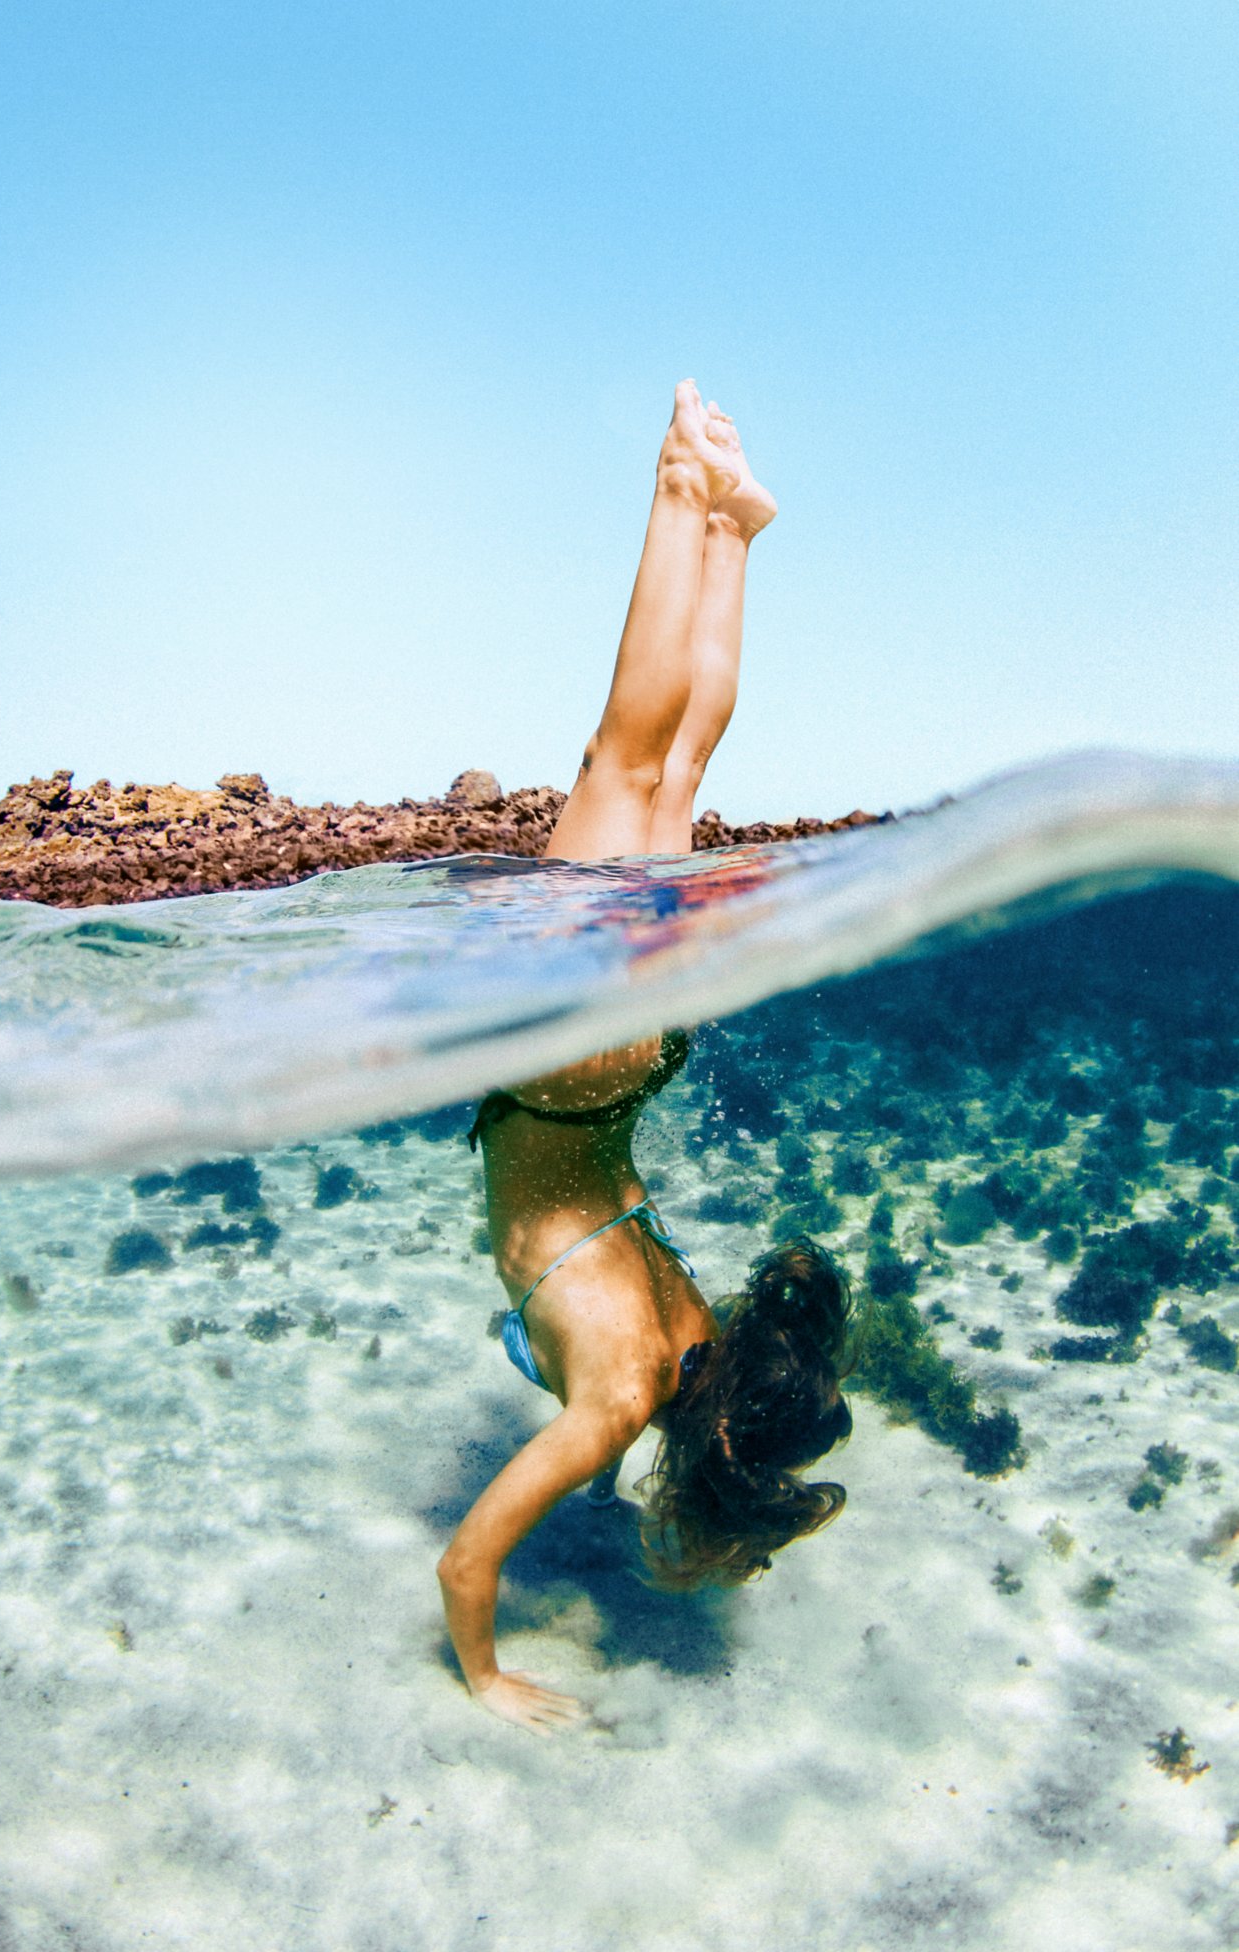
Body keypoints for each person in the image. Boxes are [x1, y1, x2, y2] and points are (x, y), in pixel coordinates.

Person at [438, 381, 854, 1734]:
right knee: (620, 760)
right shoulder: (621, 1405)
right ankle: (682, 497)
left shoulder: (705, 1341)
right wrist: (489, 1675)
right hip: (562, 1067)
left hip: (638, 1059)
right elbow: (465, 1558)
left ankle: (735, 532)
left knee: (675, 769)